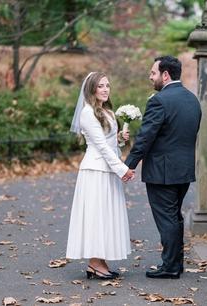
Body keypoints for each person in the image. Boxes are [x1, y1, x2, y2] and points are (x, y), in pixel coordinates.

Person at [125, 56, 202, 279]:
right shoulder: (192, 100)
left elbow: (145, 137)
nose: (151, 77)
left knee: (168, 218)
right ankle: (175, 264)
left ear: (165, 75)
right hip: (184, 170)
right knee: (174, 217)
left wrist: (129, 165)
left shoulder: (159, 101)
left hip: (162, 172)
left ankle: (169, 267)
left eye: (153, 73)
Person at [66, 72, 135, 280]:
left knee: (105, 215)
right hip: (95, 171)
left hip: (107, 171)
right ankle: (94, 263)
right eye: (100, 86)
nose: (105, 89)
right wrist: (122, 169)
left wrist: (120, 139)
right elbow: (102, 148)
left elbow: (109, 143)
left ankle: (99, 261)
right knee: (97, 216)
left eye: (107, 85)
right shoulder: (87, 113)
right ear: (92, 89)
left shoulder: (107, 111)